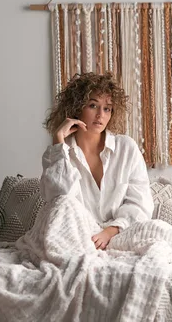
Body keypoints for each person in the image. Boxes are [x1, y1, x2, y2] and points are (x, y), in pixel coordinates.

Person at [41, 72, 154, 251]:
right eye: (93, 105)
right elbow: (59, 202)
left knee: (160, 231)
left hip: (120, 233)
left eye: (107, 108)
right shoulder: (57, 153)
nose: (101, 115)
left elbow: (140, 203)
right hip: (74, 236)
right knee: (62, 205)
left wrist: (109, 232)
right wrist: (58, 140)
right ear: (76, 108)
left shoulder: (126, 148)